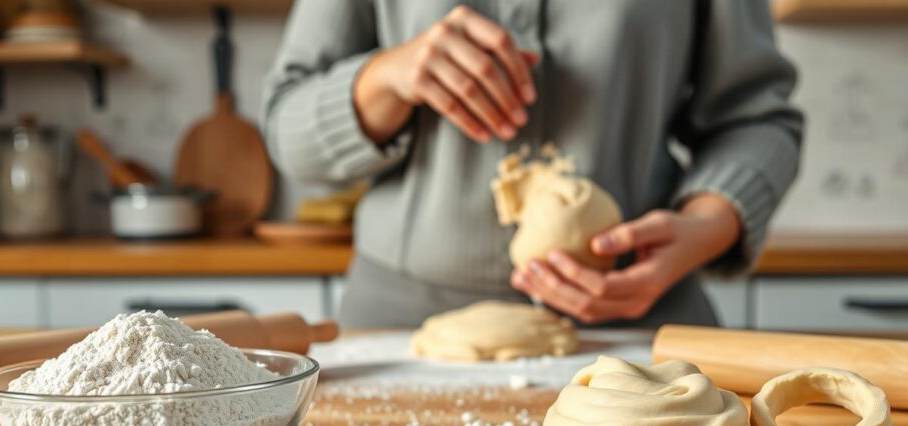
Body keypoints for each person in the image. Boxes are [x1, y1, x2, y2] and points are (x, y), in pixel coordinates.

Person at [263, 1, 803, 328]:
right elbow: (287, 130)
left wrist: (711, 221)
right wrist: (386, 77)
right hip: (399, 329)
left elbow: (758, 121)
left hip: (642, 325)